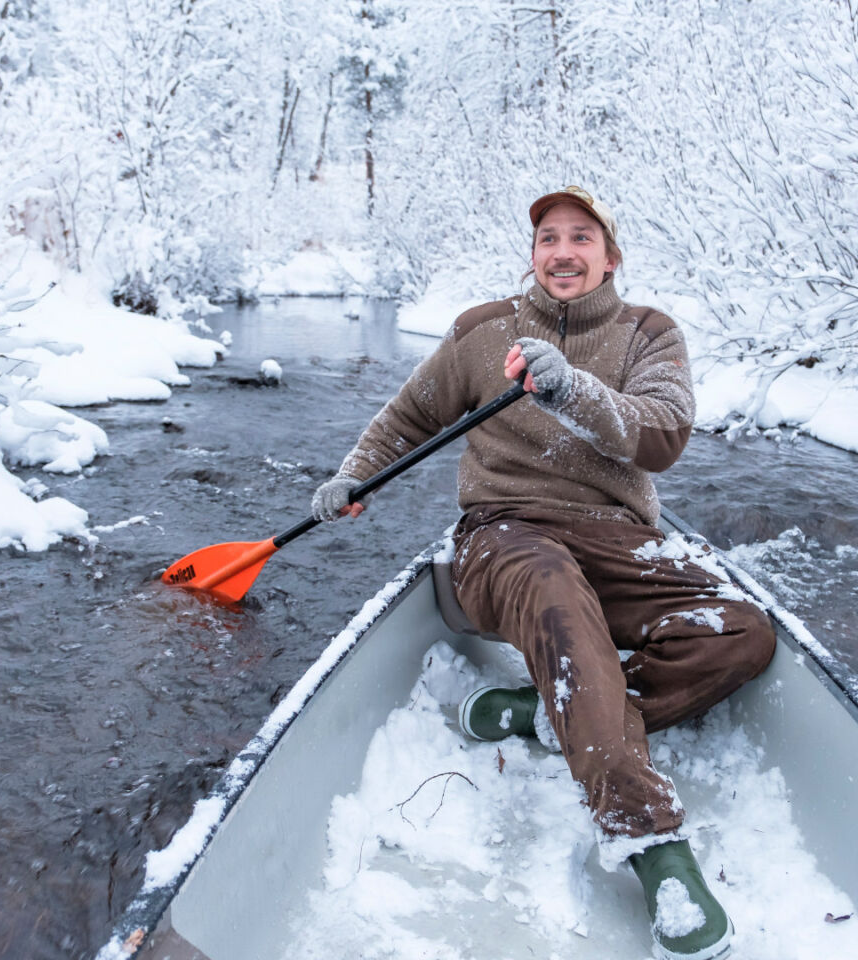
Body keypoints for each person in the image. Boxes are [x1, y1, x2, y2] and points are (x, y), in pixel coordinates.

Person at [311, 185, 775, 960]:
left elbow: (660, 437)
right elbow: (407, 419)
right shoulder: (481, 331)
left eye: (581, 238)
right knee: (554, 587)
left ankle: (540, 713)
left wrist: (571, 387)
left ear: (610, 256)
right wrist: (354, 475)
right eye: (548, 238)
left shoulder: (648, 335)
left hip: (617, 534)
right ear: (533, 256)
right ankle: (650, 840)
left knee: (742, 632)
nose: (562, 251)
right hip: (504, 535)